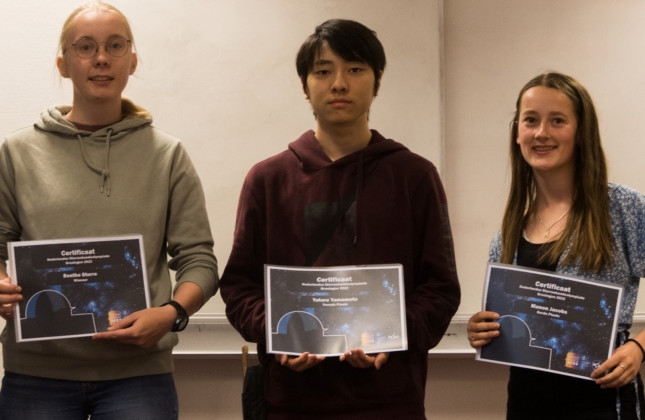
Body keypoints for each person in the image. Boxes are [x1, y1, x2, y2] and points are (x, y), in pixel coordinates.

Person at [220, 18, 460, 419]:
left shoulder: (414, 176)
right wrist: (279, 335)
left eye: (354, 69)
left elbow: (440, 288)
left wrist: (392, 336)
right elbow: (240, 287)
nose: (339, 84)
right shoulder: (267, 179)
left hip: (389, 399)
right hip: (292, 401)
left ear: (377, 80)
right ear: (305, 85)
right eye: (323, 71)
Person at [0, 2, 218, 419]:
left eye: (114, 45)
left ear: (132, 60)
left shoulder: (167, 155)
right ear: (63, 64)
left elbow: (199, 261)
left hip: (139, 376)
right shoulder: (16, 153)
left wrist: (172, 314)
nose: (100, 58)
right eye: (85, 47)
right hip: (37, 375)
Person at [467, 72, 645, 419]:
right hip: (527, 402)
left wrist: (639, 346)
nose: (541, 133)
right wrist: (481, 328)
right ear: (517, 133)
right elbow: (508, 323)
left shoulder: (623, 208)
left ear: (581, 133)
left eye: (557, 121)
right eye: (530, 120)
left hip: (603, 400)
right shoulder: (508, 232)